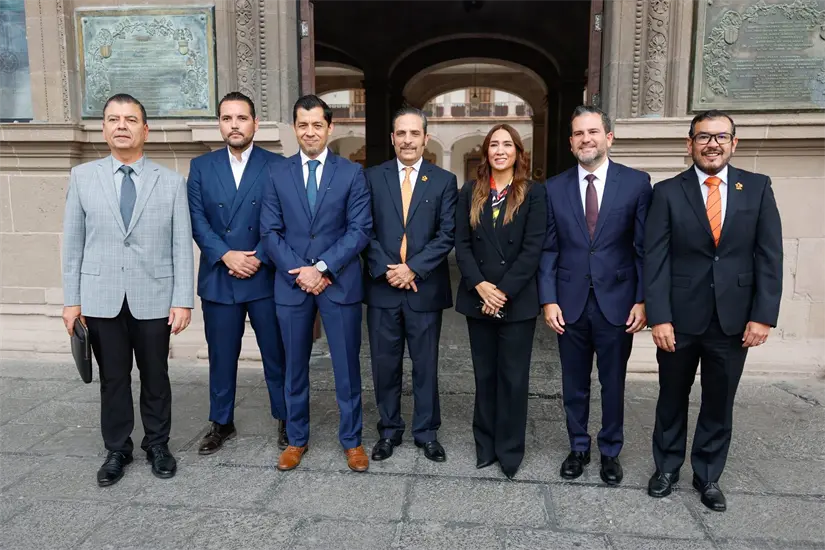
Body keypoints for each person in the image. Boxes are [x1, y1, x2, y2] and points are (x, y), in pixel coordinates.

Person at [644, 110, 782, 512]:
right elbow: (656, 258)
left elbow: (769, 255)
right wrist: (660, 316)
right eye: (703, 137)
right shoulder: (667, 191)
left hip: (734, 318)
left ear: (734, 143)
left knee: (719, 400)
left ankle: (707, 475)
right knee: (671, 396)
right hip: (679, 319)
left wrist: (763, 315)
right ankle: (666, 468)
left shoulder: (756, 188)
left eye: (721, 136)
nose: (712, 144)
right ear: (689, 144)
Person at [61, 94, 194, 486]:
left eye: (131, 119)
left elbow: (180, 245)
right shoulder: (82, 178)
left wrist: (183, 299)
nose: (122, 125)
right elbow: (73, 244)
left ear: (145, 130)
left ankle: (157, 445)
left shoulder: (170, 182)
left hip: (153, 296)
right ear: (103, 128)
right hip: (101, 298)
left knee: (156, 374)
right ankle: (117, 448)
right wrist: (72, 301)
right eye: (113, 119)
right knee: (113, 377)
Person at [538, 106, 651, 485]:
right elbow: (549, 249)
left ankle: (610, 450)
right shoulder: (553, 188)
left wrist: (642, 299)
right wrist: (548, 299)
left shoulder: (636, 184)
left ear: (609, 137)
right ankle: (579, 447)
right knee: (574, 382)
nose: (586, 139)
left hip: (617, 302)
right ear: (571, 143)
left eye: (593, 131)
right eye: (579, 134)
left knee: (613, 381)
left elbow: (642, 248)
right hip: (568, 302)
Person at [260, 95, 373, 472]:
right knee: (294, 365)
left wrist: (323, 268)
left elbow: (360, 230)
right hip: (292, 284)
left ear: (330, 128)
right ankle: (296, 439)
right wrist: (302, 271)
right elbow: (270, 231)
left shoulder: (351, 173)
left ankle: (352, 440)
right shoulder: (277, 173)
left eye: (317, 125)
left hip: (338, 283)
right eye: (303, 125)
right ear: (295, 128)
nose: (310, 132)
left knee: (346, 365)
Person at [187, 92, 288, 455]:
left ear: (255, 124)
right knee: (222, 355)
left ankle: (286, 417)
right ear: (220, 124)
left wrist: (258, 256)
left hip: (264, 275)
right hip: (220, 275)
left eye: (242, 118)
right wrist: (226, 254)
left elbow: (281, 220)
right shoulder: (201, 167)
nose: (234, 125)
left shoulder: (277, 165)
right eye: (227, 118)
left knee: (276, 354)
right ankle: (221, 422)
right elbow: (197, 220)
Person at [363, 107, 458, 463]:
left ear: (425, 138)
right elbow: (364, 229)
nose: (407, 140)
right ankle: (388, 431)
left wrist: (413, 269)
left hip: (424, 289)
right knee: (384, 365)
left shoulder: (444, 181)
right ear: (392, 138)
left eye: (414, 134)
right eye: (400, 133)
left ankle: (426, 432)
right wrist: (389, 270)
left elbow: (447, 233)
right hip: (383, 288)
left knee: (425, 364)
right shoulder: (372, 178)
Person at [454, 123, 547, 479]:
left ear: (518, 153)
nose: (500, 150)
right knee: (485, 375)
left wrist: (502, 291)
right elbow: (461, 244)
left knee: (513, 377)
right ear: (486, 152)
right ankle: (485, 446)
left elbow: (532, 249)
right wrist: (480, 286)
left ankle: (510, 450)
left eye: (507, 144)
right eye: (494, 144)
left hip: (516, 301)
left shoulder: (533, 194)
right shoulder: (470, 192)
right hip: (478, 299)